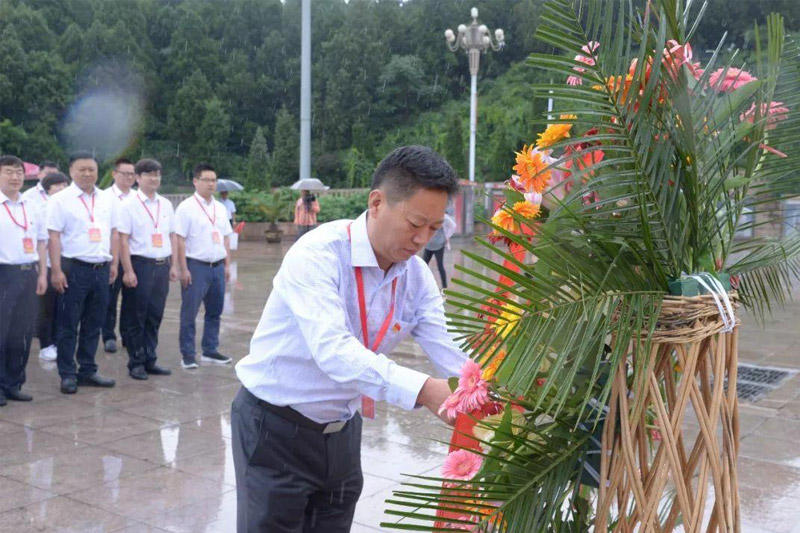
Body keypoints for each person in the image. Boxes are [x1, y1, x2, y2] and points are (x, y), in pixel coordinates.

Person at [232, 145, 467, 532]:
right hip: (274, 430)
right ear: (377, 203)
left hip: (341, 431)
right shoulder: (318, 254)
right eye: (415, 223)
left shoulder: (415, 276)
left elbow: (451, 345)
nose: (422, 239)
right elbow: (334, 352)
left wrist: (484, 383)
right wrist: (424, 390)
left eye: (434, 229)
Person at [47, 152, 119, 394]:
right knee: (68, 324)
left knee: (94, 323)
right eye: (82, 169)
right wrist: (56, 270)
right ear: (71, 171)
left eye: (91, 169)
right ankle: (67, 373)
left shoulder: (107, 199)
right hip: (73, 268)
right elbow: (53, 236)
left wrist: (114, 264)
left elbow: (114, 233)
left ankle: (87, 370)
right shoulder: (60, 200)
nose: (87, 173)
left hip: (101, 268)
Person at [118, 158, 177, 380]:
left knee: (154, 315)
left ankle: (151, 358)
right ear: (138, 178)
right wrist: (128, 270)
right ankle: (136, 362)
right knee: (136, 316)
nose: (154, 179)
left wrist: (173, 265)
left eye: (157, 174)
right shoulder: (129, 204)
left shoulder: (166, 204)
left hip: (162, 265)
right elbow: (123, 240)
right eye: (149, 174)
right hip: (140, 264)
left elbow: (170, 235)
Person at [0, 155, 49, 405]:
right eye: (9, 172)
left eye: (19, 172)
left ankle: (14, 382)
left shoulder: (32, 205)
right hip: (3, 274)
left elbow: (41, 241)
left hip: (28, 272)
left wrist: (42, 274)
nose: (15, 176)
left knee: (22, 331)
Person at [174, 163, 233, 369]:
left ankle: (210, 349)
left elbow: (226, 237)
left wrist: (227, 265)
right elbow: (179, 239)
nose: (211, 184)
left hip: (217, 266)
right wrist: (183, 268)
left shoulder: (220, 208)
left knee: (215, 311)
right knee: (189, 312)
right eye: (206, 180)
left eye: (214, 180)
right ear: (195, 181)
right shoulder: (186, 207)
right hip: (196, 266)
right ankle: (188, 354)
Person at [35, 172, 70, 362]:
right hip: (47, 265)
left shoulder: (69, 208)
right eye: (58, 185)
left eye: (65, 185)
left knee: (62, 307)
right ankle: (46, 344)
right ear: (48, 189)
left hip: (67, 263)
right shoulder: (41, 209)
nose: (63, 188)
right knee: (47, 308)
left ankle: (58, 341)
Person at [102, 158, 136, 354]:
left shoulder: (139, 198)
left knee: (131, 299)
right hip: (112, 255)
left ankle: (127, 335)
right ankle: (108, 335)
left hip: (132, 257)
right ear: (114, 174)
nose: (129, 178)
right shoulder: (105, 198)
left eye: (132, 174)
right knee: (110, 299)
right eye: (125, 173)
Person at [422, 204, 454, 289]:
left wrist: (446, 236)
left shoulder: (443, 217)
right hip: (429, 243)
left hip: (438, 244)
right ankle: (422, 284)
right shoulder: (427, 216)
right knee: (423, 265)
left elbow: (452, 226)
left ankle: (444, 286)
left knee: (439, 265)